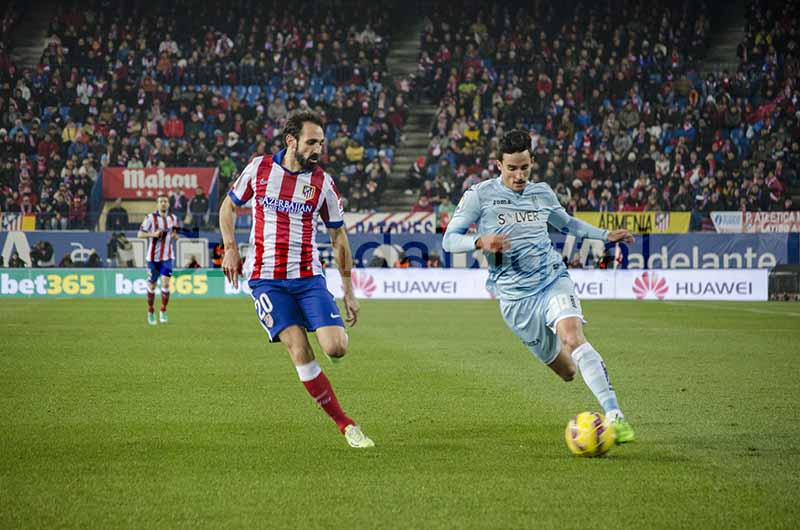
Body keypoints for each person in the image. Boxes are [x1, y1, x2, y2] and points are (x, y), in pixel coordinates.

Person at [443, 129, 636, 443]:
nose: (519, 175)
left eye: (524, 168)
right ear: (498, 165)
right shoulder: (479, 195)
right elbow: (449, 240)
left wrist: (604, 235)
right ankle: (581, 361)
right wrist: (480, 240)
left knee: (573, 336)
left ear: (532, 162)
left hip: (551, 280)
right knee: (568, 371)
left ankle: (615, 416)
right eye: (511, 168)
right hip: (515, 300)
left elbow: (568, 224)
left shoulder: (542, 193)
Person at [219, 111, 374, 449]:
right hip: (267, 280)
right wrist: (230, 249)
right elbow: (227, 209)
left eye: (321, 142)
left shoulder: (322, 184)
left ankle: (322, 334)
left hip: (308, 278)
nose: (318, 148)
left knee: (337, 347)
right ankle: (345, 424)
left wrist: (349, 291)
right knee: (298, 347)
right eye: (312, 142)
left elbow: (339, 238)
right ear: (291, 141)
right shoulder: (259, 169)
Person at [137, 195, 180, 325]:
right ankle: (150, 311)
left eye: (165, 202)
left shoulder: (173, 218)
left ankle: (163, 310)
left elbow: (175, 233)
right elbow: (140, 234)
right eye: (161, 202)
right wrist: (153, 234)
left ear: (168, 204)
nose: (163, 204)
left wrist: (175, 236)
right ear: (157, 204)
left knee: (166, 284)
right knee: (152, 286)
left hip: (167, 258)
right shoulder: (150, 218)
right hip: (152, 259)